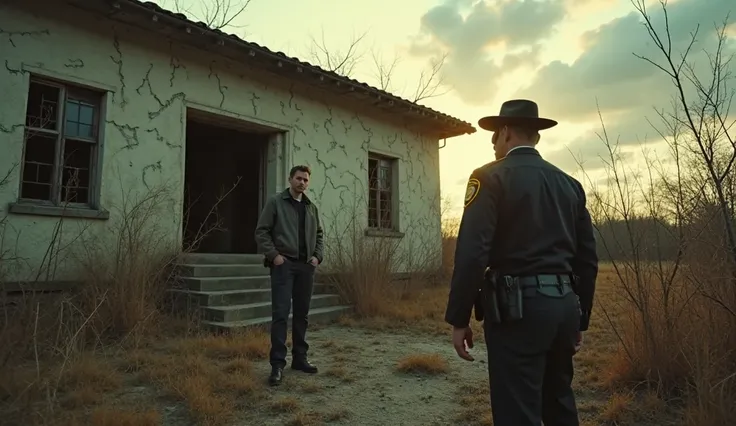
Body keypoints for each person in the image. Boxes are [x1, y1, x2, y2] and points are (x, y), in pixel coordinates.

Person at [444, 99, 598, 426]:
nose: (492, 145)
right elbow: (587, 259)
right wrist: (579, 318)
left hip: (518, 311)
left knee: (517, 411)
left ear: (506, 132)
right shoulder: (570, 185)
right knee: (559, 403)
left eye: (494, 137)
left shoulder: (488, 178)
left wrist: (459, 318)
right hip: (564, 309)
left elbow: (473, 253)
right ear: (536, 137)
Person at [254, 165, 324, 386]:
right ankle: (277, 365)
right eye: (298, 178)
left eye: (305, 179)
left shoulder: (311, 207)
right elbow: (261, 231)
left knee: (302, 315)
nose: (302, 182)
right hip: (283, 265)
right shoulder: (276, 202)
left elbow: (319, 234)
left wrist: (317, 257)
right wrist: (274, 256)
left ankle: (300, 359)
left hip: (306, 267)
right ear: (290, 179)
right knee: (281, 315)